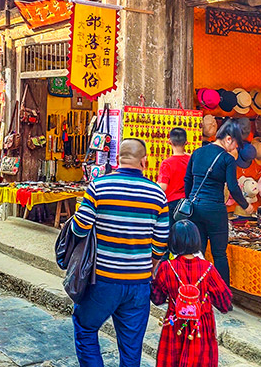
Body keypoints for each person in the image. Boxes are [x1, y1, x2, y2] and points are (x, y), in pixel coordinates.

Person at [70, 138, 169, 367]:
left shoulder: (99, 186)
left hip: (103, 279)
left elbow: (79, 228)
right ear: (145, 161)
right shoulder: (157, 194)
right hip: (138, 283)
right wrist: (151, 264)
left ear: (117, 159)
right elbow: (161, 243)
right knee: (132, 348)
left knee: (85, 329)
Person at [151, 220, 233, 367]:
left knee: (172, 360)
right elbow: (224, 303)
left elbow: (157, 299)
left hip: (174, 324)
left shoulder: (166, 267)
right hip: (202, 325)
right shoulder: (208, 268)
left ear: (173, 241)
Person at [183, 119, 253, 285]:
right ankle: (223, 297)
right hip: (214, 209)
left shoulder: (197, 152)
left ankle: (196, 290)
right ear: (228, 139)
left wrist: (191, 200)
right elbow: (234, 188)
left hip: (194, 207)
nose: (235, 148)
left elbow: (187, 180)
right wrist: (245, 205)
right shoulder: (227, 159)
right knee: (219, 253)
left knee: (197, 251)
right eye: (236, 144)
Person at [157, 128, 191, 224]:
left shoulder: (167, 164)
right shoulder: (191, 160)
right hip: (187, 204)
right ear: (186, 142)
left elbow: (163, 186)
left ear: (169, 142)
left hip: (171, 204)